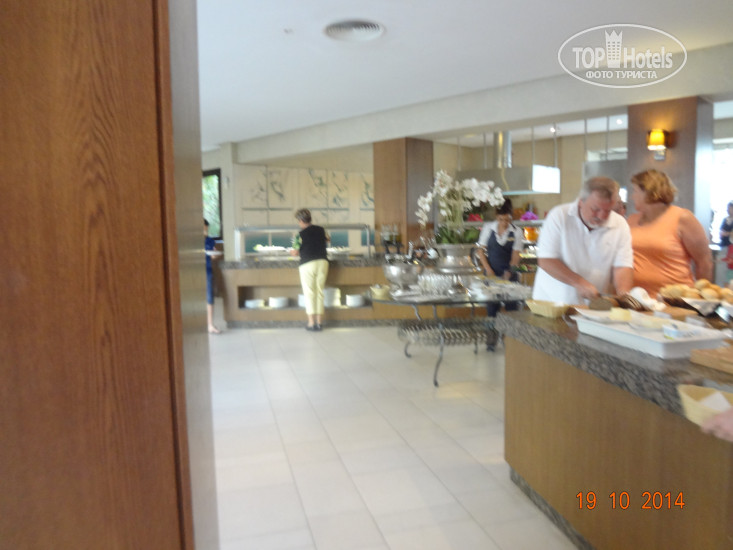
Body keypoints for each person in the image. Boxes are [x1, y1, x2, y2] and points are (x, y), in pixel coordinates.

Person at [532, 176, 634, 304]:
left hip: (591, 306)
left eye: (607, 210)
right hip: (551, 302)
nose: (602, 216)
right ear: (581, 201)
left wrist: (624, 295)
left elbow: (623, 266)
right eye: (595, 209)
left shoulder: (620, 224)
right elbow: (546, 260)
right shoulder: (559, 216)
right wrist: (578, 282)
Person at [627, 169, 713, 297]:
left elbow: (704, 262)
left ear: (649, 191)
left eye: (635, 191)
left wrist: (701, 297)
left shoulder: (682, 218)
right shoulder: (631, 220)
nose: (632, 196)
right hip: (637, 297)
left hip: (674, 299)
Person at [477, 199, 523, 313]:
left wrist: (509, 272)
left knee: (512, 311)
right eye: (501, 219)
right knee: (492, 310)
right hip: (491, 273)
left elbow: (515, 256)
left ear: (511, 217)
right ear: (496, 216)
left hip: (510, 275)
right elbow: (480, 251)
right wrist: (488, 270)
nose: (504, 223)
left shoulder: (517, 231)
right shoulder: (488, 228)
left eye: (507, 220)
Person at [290, 208, 329, 331]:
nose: (299, 224)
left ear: (301, 220)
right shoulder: (321, 229)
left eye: (298, 221)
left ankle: (311, 323)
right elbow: (328, 239)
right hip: (322, 262)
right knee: (319, 292)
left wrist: (291, 251)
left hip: (307, 264)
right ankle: (319, 323)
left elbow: (295, 252)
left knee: (309, 293)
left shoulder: (300, 235)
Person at [204, 219, 221, 334]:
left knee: (209, 297)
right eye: (204, 228)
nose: (206, 231)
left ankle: (210, 325)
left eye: (207, 229)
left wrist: (214, 255)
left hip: (207, 271)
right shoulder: (190, 240)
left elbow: (212, 255)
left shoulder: (210, 240)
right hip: (192, 272)